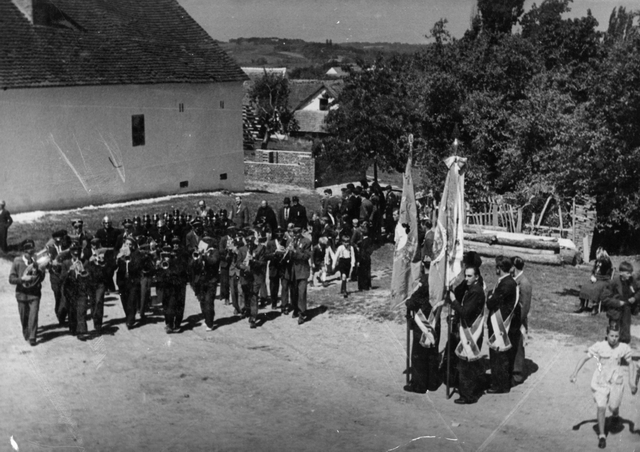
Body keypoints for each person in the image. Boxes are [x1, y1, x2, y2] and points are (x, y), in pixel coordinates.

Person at [570, 322, 637, 449]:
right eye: (612, 336)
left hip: (616, 381)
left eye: (616, 336)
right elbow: (585, 358)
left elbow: (631, 364)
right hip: (600, 381)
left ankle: (615, 413)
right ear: (607, 335)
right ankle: (602, 435)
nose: (614, 339)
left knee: (613, 406)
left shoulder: (623, 347)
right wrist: (575, 373)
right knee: (601, 408)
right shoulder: (599, 346)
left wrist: (631, 382)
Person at [448, 266, 486, 404]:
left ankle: (468, 396)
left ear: (476, 277)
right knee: (466, 363)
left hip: (471, 332)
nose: (466, 279)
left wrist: (453, 301)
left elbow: (464, 312)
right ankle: (468, 392)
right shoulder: (473, 287)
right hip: (468, 330)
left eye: (470, 276)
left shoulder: (475, 291)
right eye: (465, 275)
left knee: (466, 364)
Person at [486, 255, 520, 394]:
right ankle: (499, 382)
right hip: (500, 323)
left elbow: (490, 303)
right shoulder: (509, 281)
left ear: (499, 269)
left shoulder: (506, 284)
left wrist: (489, 297)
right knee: (500, 356)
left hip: (499, 324)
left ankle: (500, 384)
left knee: (498, 356)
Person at [9, 240, 44, 346]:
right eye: (28, 252)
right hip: (21, 294)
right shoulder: (17, 261)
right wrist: (22, 279)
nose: (30, 254)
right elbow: (11, 279)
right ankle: (27, 332)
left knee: (33, 315)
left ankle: (33, 336)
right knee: (24, 317)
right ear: (24, 252)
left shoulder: (36, 262)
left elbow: (41, 278)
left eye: (32, 252)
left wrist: (40, 272)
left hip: (34, 294)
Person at [601, 262, 639, 344]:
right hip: (615, 311)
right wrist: (618, 302)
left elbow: (638, 291)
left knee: (625, 332)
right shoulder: (613, 283)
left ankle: (623, 351)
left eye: (631, 273)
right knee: (613, 331)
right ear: (621, 273)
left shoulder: (632, 281)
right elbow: (604, 298)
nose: (630, 275)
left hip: (627, 309)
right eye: (628, 273)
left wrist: (635, 298)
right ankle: (610, 350)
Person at [511, 256, 532, 386]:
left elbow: (524, 306)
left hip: (518, 321)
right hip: (512, 320)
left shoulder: (524, 283)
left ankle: (517, 375)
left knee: (518, 346)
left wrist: (517, 321)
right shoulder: (515, 280)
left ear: (514, 267)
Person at [577, 247, 614, 315]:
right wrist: (593, 276)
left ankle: (595, 307)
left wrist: (602, 258)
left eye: (598, 254)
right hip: (596, 278)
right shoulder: (597, 261)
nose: (596, 255)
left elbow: (606, 268)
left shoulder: (606, 261)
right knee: (585, 286)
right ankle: (582, 305)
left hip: (604, 280)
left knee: (596, 288)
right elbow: (594, 271)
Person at [287, 227, 311, 324]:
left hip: (302, 270)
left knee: (301, 293)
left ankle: (302, 313)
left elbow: (306, 256)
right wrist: (288, 251)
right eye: (294, 233)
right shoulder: (291, 241)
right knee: (293, 292)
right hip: (293, 271)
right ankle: (296, 308)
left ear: (301, 232)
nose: (295, 235)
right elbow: (289, 257)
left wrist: (295, 251)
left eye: (297, 233)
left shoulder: (307, 241)